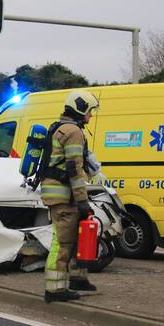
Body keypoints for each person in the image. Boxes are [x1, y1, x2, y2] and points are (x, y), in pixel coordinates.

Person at [40, 90, 100, 303]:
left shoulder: (59, 128)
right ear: (81, 108)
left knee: (73, 239)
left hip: (60, 194)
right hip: (64, 197)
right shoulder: (73, 131)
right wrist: (82, 200)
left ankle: (76, 279)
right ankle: (54, 289)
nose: (91, 116)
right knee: (63, 243)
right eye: (90, 111)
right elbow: (73, 168)